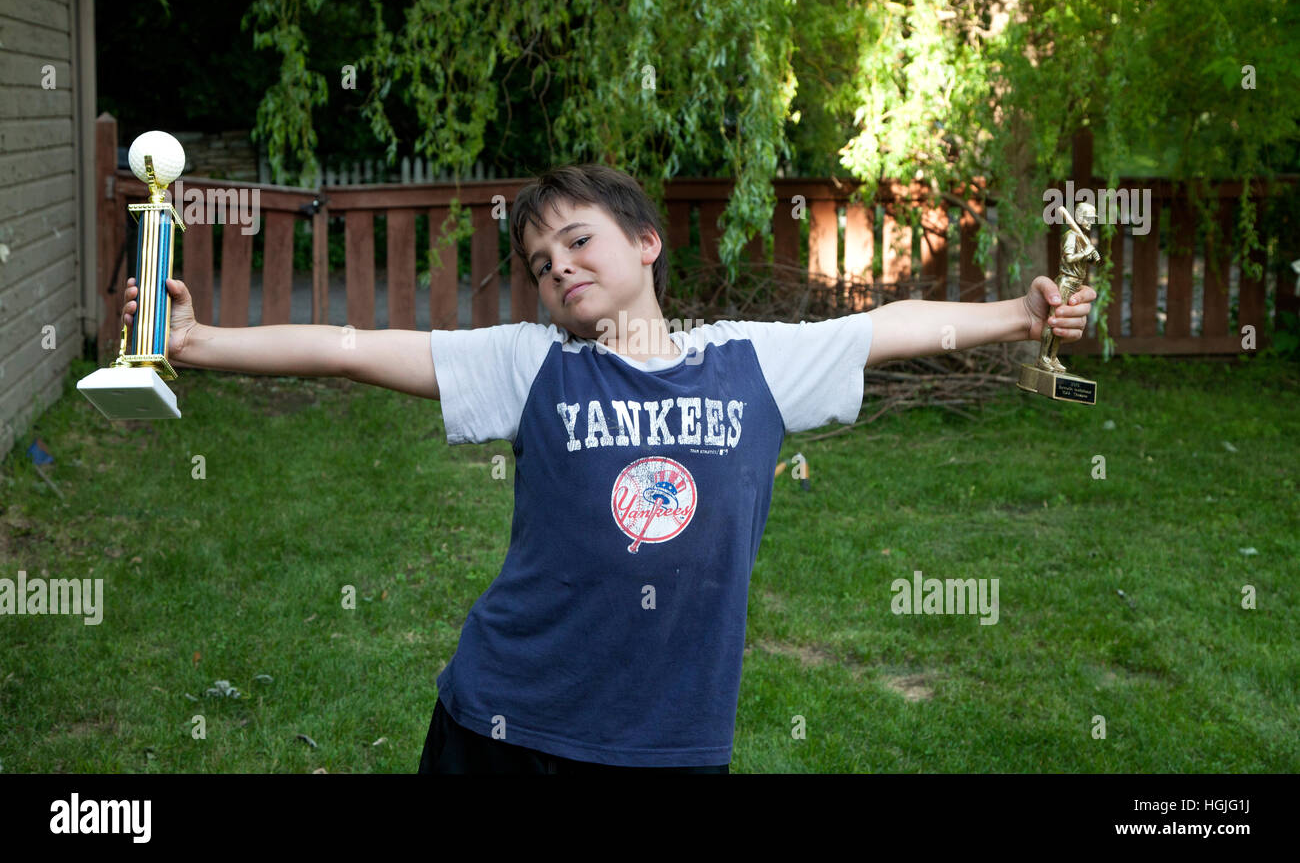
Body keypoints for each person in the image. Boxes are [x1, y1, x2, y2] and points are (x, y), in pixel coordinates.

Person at [121, 164, 1096, 773]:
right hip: (502, 717)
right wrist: (199, 341)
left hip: (668, 738)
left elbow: (888, 327)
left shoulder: (749, 358)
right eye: (540, 262)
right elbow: (346, 345)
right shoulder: (530, 363)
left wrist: (1019, 314)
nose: (558, 266)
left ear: (644, 241)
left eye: (577, 240)